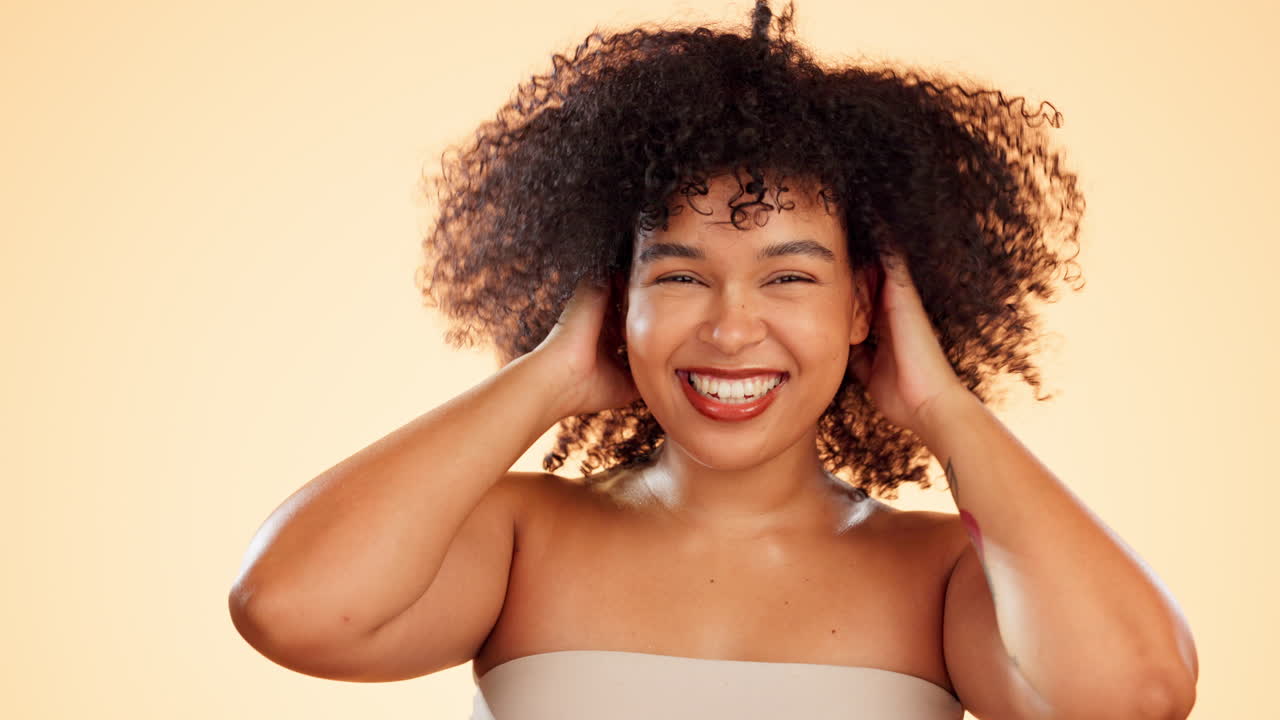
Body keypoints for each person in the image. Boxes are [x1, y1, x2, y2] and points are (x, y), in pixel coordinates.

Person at [228, 2, 1199, 718]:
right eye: (681, 276)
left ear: (864, 305)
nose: (732, 330)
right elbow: (289, 607)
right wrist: (553, 373)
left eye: (788, 280)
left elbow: (1135, 693)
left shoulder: (941, 575)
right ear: (615, 298)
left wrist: (945, 411)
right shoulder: (518, 541)